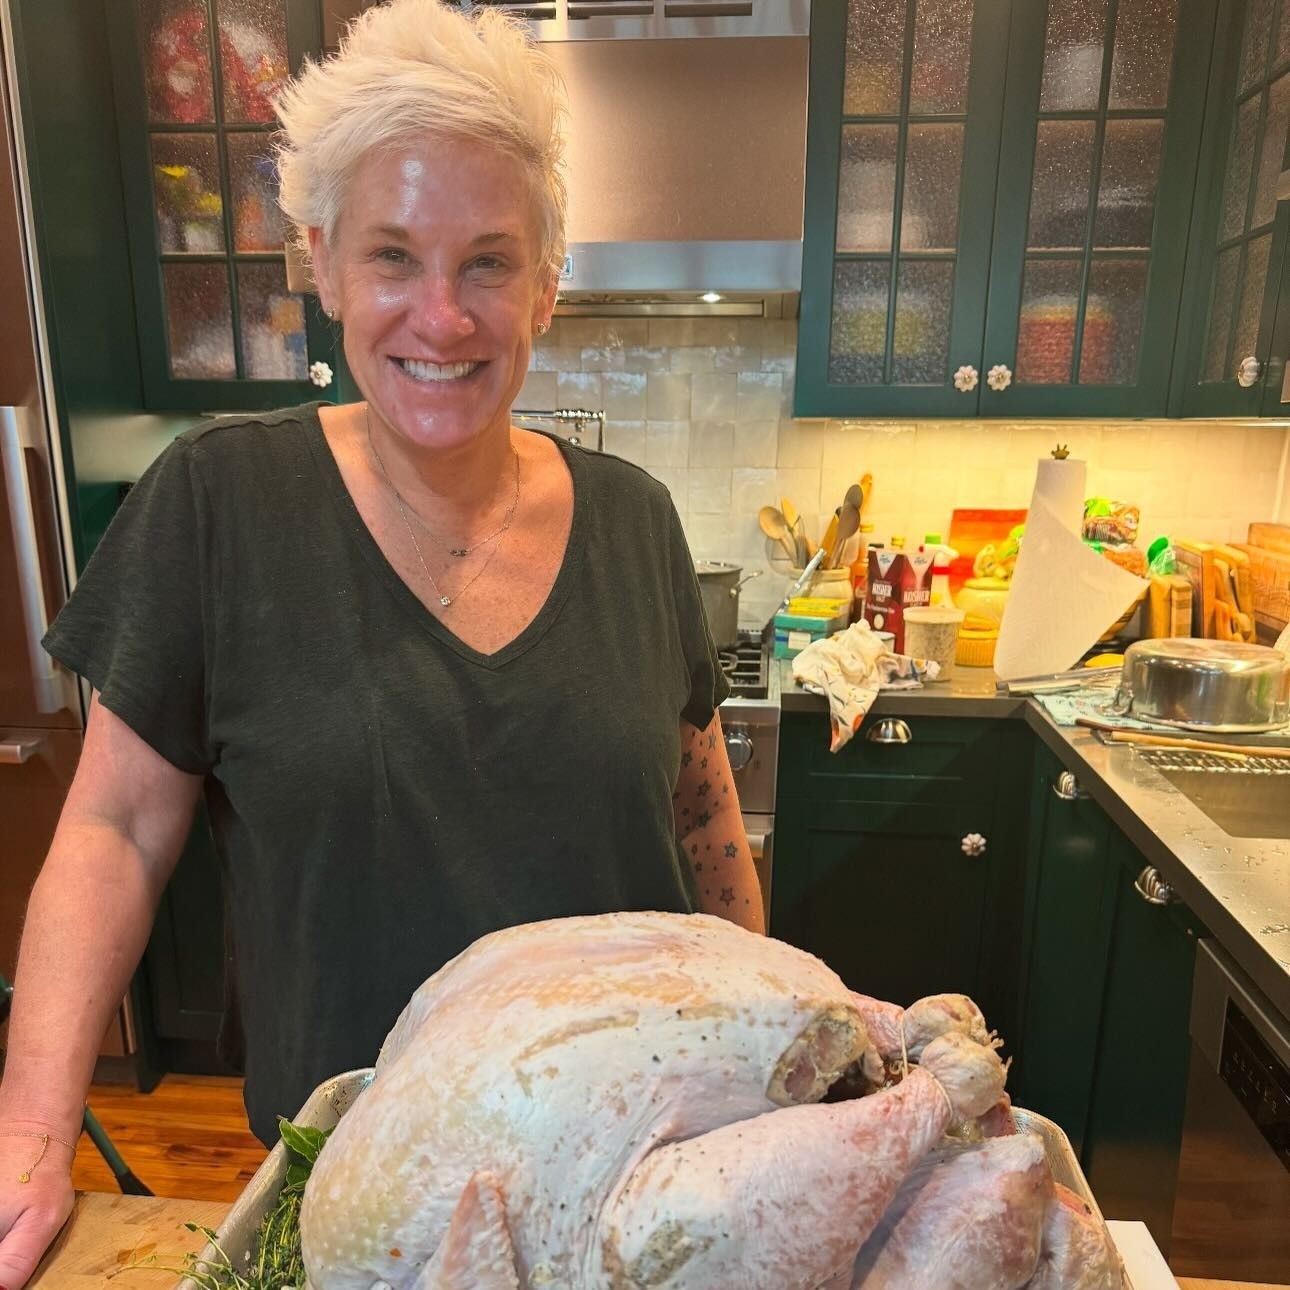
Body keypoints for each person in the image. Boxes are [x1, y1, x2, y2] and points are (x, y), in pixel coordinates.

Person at [0, 2, 763, 1281]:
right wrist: (29, 1133)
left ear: (548, 283)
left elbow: (704, 823)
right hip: (350, 1199)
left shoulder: (636, 519)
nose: (442, 317)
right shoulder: (217, 505)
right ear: (323, 263)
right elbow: (113, 830)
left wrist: (775, 1064)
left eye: (489, 262)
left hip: (632, 1196)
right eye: (394, 255)